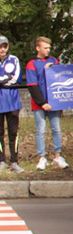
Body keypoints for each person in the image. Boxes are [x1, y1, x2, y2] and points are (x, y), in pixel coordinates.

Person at [25, 37, 68, 171]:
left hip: (54, 103)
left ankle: (58, 156)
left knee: (56, 129)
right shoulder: (32, 64)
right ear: (38, 48)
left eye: (49, 48)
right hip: (40, 104)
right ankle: (42, 157)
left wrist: (54, 68)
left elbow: (61, 77)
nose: (48, 50)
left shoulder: (54, 61)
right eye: (45, 48)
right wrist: (42, 103)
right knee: (40, 130)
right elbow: (32, 85)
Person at [0, 36, 23, 174]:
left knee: (13, 132)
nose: (2, 49)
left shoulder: (14, 59)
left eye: (4, 46)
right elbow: (9, 78)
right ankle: (1, 160)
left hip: (13, 101)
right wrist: (6, 79)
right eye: (0, 46)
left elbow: (16, 78)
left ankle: (14, 161)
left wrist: (3, 81)